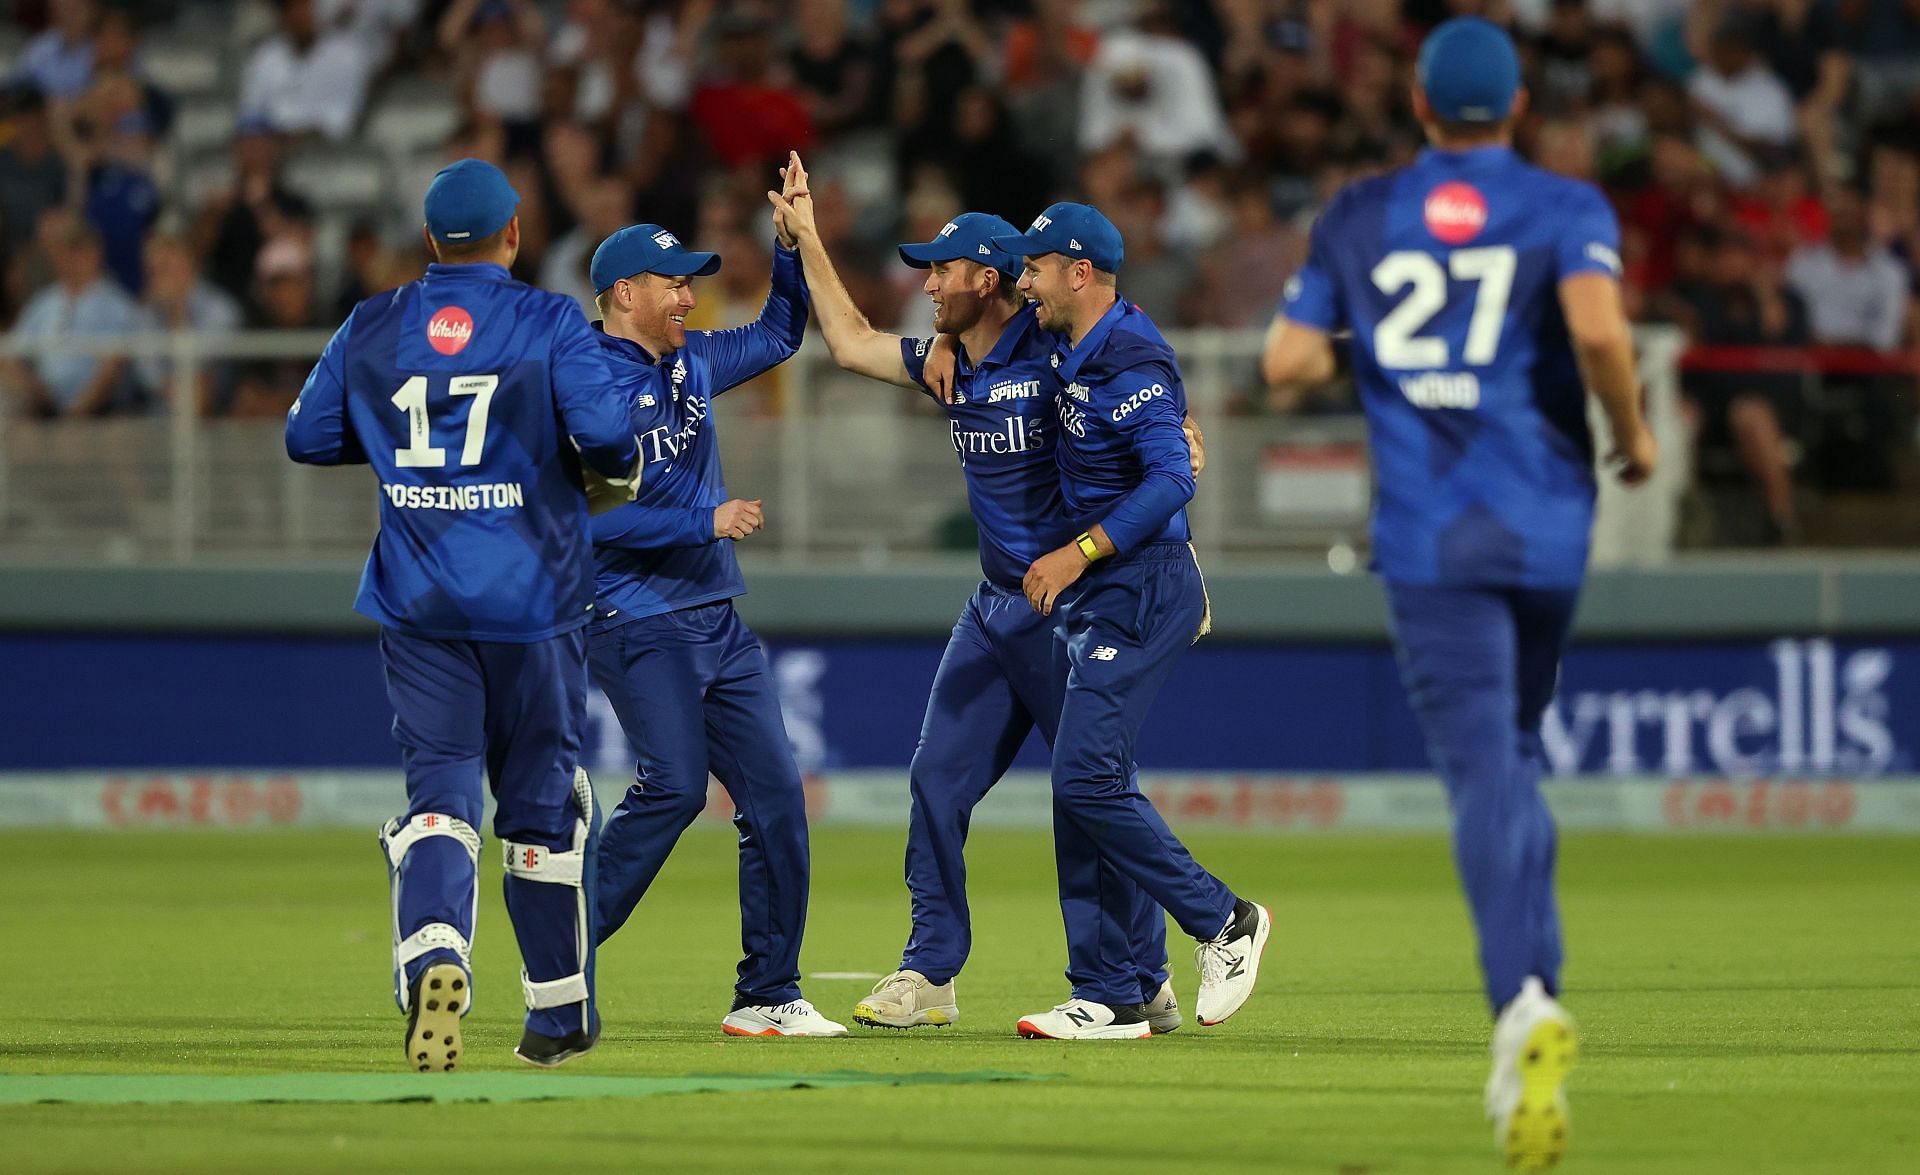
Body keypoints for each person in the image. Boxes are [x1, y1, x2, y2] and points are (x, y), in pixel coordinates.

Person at [1259, 19, 1657, 1172]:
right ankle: (1539, 982)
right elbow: (1595, 330)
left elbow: (1285, 363)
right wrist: (1632, 432)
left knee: (1484, 768)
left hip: (1436, 538)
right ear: (1519, 103)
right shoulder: (1568, 206)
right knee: (1521, 753)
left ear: (1422, 108)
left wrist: (1369, 343)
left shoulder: (1358, 212)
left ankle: (1523, 1003)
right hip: (1549, 530)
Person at [768, 153, 1201, 1038]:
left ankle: (1140, 977)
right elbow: (848, 341)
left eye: (943, 268)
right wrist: (807, 236)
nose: (928, 283)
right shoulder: (949, 359)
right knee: (936, 777)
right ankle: (932, 969)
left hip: (1069, 605)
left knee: (1091, 791)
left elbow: (1148, 414)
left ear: (994, 279)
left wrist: (1186, 443)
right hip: (996, 607)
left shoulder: (1062, 351)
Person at [284, 159, 641, 1072]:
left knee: (439, 794)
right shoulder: (551, 319)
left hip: (421, 601)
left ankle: (435, 952)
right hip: (535, 602)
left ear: (430, 240)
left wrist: (416, 457)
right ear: (514, 235)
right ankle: (558, 1016)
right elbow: (606, 439)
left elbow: (307, 434)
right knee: (540, 811)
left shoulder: (375, 322)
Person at [985, 202, 1272, 1039]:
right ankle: (1119, 989)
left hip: (1142, 585)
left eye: (1034, 267)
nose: (1022, 280)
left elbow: (1171, 478)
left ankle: (1226, 922)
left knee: (1083, 779)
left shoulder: (1136, 357)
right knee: (1085, 785)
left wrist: (1079, 550)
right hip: (1109, 587)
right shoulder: (1071, 341)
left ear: (1080, 274)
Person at [584, 187, 843, 1037]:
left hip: (717, 621)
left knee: (777, 799)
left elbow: (778, 334)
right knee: (672, 786)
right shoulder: (583, 385)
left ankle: (769, 994)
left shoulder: (688, 360)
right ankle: (560, 954)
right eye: (674, 284)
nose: (690, 298)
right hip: (634, 617)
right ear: (627, 293)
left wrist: (789, 244)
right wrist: (705, 519)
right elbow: (591, 514)